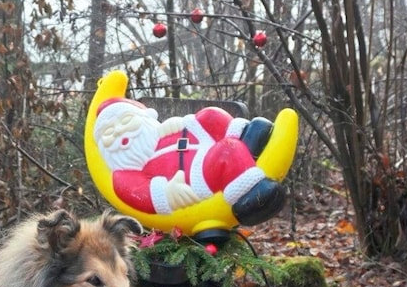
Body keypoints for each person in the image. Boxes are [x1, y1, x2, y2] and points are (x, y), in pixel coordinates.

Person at [93, 96, 285, 225]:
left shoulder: (159, 135)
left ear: (146, 119)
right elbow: (135, 191)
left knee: (210, 114)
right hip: (196, 178)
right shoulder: (125, 171)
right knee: (227, 150)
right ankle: (252, 196)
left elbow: (190, 126)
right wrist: (166, 194)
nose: (119, 131)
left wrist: (181, 125)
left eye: (126, 121)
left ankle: (246, 139)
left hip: (201, 145)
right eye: (109, 132)